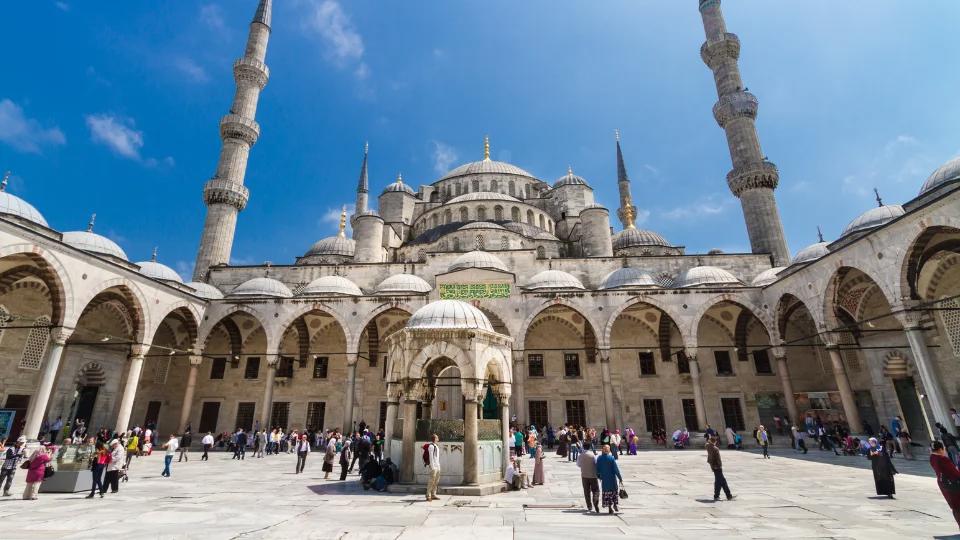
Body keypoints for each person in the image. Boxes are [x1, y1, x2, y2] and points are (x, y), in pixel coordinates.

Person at [930, 440, 960, 529]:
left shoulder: (932, 457)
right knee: (958, 505)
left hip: (943, 484)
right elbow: (955, 473)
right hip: (953, 484)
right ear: (940, 449)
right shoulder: (943, 459)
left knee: (954, 506)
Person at [595, 444, 622, 514]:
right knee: (614, 492)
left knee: (607, 493)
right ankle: (615, 505)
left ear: (602, 450)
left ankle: (610, 507)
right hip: (612, 479)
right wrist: (620, 477)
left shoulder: (599, 458)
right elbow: (616, 469)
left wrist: (599, 477)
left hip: (605, 479)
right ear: (609, 450)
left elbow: (597, 470)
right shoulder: (611, 458)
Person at [706, 435, 734, 501]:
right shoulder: (715, 449)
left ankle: (728, 495)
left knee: (722, 481)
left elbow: (707, 443)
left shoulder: (708, 446)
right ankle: (718, 496)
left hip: (713, 465)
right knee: (719, 482)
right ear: (715, 442)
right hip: (717, 466)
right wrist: (719, 465)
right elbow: (718, 459)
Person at [577, 442, 600, 512]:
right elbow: (596, 464)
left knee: (586, 491)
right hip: (593, 475)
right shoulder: (593, 455)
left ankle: (589, 506)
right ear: (589, 447)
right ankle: (595, 500)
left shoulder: (580, 455)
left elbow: (578, 465)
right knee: (596, 490)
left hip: (584, 475)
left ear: (583, 447)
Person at [426, 434, 441, 501]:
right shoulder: (431, 446)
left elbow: (437, 457)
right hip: (433, 466)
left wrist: (438, 466)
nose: (438, 439)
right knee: (431, 481)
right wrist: (432, 467)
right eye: (437, 438)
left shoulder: (436, 446)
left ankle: (433, 494)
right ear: (434, 439)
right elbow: (431, 457)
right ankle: (428, 495)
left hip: (437, 466)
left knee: (436, 481)